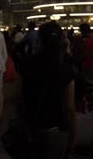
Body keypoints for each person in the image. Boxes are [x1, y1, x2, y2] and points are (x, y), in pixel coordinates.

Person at [20, 22, 76, 159]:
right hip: (57, 129)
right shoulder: (66, 70)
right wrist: (73, 135)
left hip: (32, 126)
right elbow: (69, 108)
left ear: (39, 40)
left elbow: (19, 98)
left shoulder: (27, 65)